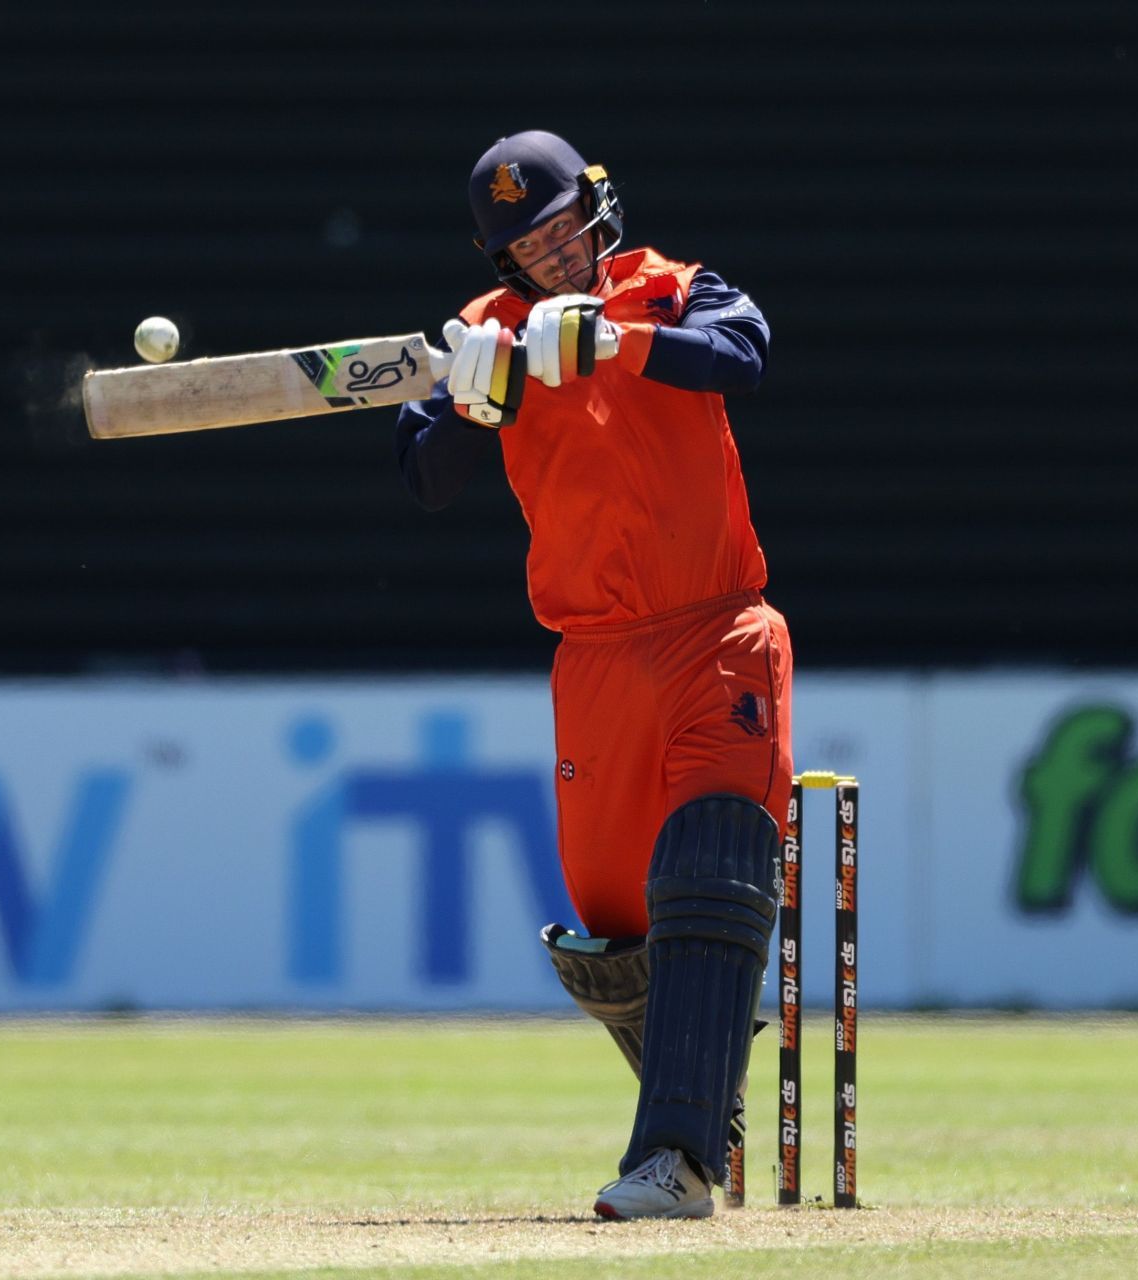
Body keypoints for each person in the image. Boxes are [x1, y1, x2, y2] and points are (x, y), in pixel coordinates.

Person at [395, 131, 793, 1220]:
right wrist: (472, 405)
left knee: (710, 863)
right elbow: (423, 474)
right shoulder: (483, 334)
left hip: (719, 630)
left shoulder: (671, 288)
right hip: (595, 659)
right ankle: (709, 1105)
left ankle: (674, 1158)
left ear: (599, 209)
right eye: (530, 246)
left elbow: (746, 352)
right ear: (502, 258)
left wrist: (613, 341)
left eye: (567, 227)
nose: (557, 254)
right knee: (610, 929)